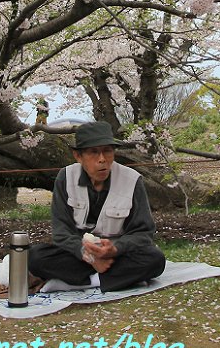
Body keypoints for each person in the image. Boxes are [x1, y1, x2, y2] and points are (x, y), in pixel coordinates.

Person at [28, 122, 166, 293]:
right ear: (78, 156)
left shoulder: (132, 180)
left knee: (155, 259)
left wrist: (115, 249)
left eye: (107, 151)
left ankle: (84, 281)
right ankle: (111, 279)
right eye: (93, 152)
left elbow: (143, 233)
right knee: (35, 257)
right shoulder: (65, 178)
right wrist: (88, 256)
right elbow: (61, 233)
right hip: (79, 255)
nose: (102, 159)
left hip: (116, 255)